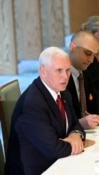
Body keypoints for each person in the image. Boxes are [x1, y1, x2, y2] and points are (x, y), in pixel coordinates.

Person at [5, 47, 85, 175]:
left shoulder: (63, 93)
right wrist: (77, 144)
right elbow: (54, 149)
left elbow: (76, 124)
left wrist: (75, 135)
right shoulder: (32, 104)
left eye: (68, 70)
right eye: (59, 70)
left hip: (58, 162)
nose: (65, 76)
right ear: (43, 71)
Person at [67, 30, 99, 129]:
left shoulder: (86, 73)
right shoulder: (61, 77)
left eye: (94, 55)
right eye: (87, 53)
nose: (91, 60)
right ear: (72, 47)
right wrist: (79, 123)